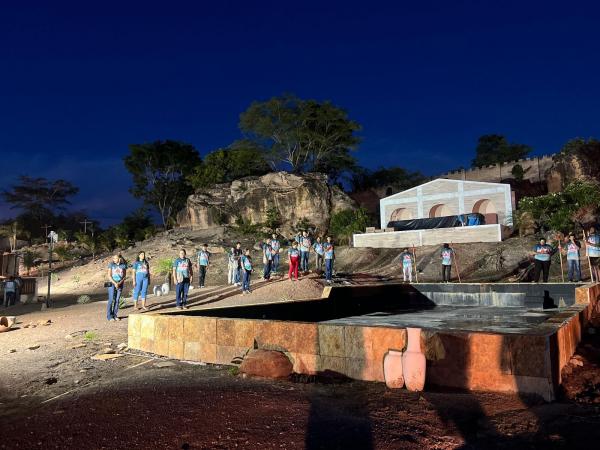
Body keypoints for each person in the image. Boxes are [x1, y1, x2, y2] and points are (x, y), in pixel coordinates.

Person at [107, 254, 127, 321]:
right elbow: (109, 276)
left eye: (116, 258)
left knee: (117, 300)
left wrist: (119, 283)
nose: (114, 260)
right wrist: (115, 283)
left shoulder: (123, 265)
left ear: (119, 259)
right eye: (114, 258)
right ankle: (109, 316)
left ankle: (115, 315)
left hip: (120, 283)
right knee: (111, 299)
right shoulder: (111, 265)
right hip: (112, 283)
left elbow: (124, 276)